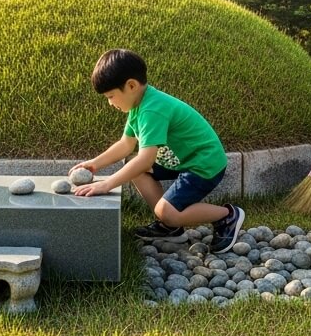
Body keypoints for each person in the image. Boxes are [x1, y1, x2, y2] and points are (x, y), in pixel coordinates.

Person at [71, 49, 246, 254]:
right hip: (183, 160)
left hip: (204, 163)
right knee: (135, 169)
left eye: (111, 96)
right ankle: (171, 226)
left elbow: (146, 160)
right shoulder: (139, 105)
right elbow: (126, 144)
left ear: (131, 86)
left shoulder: (152, 109)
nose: (110, 103)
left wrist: (107, 184)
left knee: (163, 206)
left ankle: (227, 215)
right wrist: (94, 164)